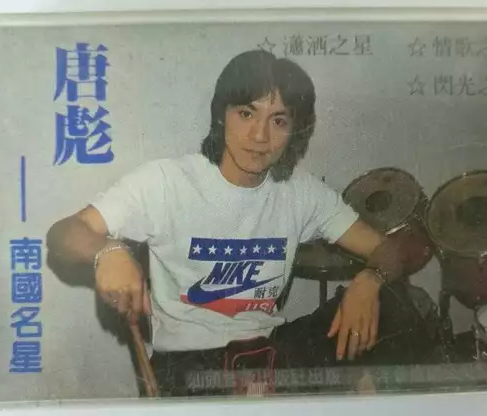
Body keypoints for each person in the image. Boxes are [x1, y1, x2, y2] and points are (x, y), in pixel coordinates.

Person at [46, 49, 439, 397]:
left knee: (399, 303)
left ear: (294, 131)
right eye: (247, 113)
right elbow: (65, 233)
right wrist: (108, 251)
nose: (259, 135)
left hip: (269, 351)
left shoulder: (301, 192)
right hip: (193, 366)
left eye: (278, 121)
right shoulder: (166, 181)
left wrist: (369, 281)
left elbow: (392, 249)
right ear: (222, 115)